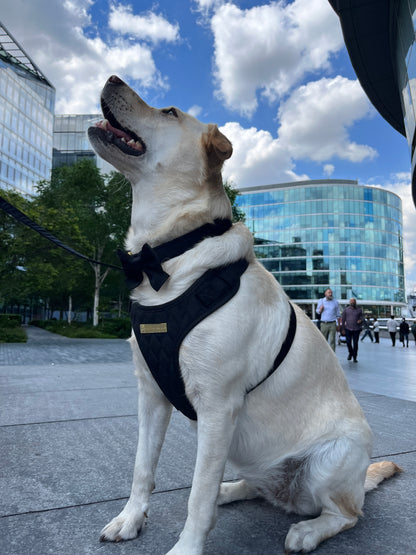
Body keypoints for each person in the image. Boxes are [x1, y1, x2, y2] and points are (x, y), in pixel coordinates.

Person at [341, 298, 363, 362]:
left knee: (355, 343)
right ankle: (350, 353)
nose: (352, 303)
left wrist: (360, 320)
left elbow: (362, 317)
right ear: (349, 303)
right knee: (348, 342)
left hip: (356, 329)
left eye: (353, 301)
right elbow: (343, 320)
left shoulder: (359, 310)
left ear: (355, 303)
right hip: (348, 329)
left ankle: (355, 357)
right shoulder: (346, 310)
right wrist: (342, 329)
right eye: (351, 301)